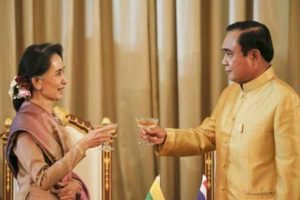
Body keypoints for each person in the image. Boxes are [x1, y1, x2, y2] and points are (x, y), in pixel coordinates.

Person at [141, 21, 300, 199]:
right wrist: (166, 137)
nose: (223, 61)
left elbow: (291, 176)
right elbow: (206, 135)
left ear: (254, 56)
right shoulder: (230, 93)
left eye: (229, 54)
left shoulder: (285, 101)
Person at [6, 43, 116, 200]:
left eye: (63, 72)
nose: (65, 80)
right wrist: (84, 144)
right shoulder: (25, 126)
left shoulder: (52, 119)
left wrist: (75, 185)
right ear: (37, 82)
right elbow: (43, 180)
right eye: (58, 74)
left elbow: (65, 172)